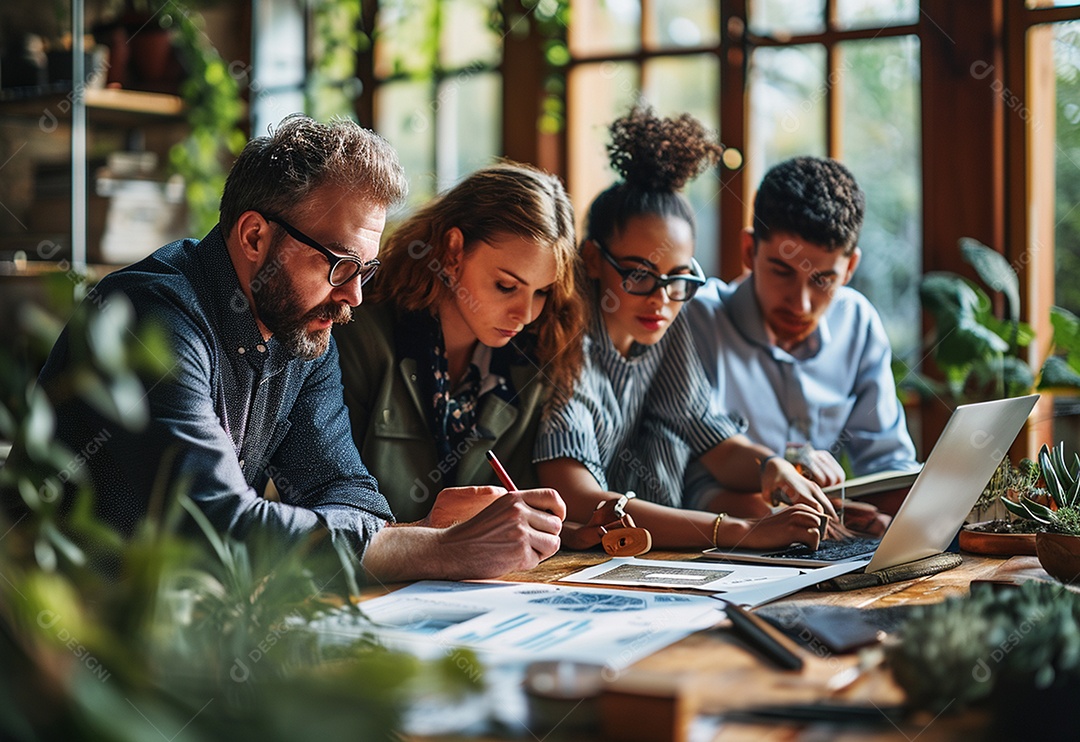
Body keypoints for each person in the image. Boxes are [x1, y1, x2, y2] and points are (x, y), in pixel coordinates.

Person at [16, 115, 564, 582]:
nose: (353, 295)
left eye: (365, 271)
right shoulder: (148, 316)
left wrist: (415, 537)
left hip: (189, 626)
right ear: (255, 237)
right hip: (63, 648)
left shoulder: (305, 328)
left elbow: (350, 497)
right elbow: (221, 527)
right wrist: (440, 547)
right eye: (340, 265)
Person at [534, 105, 835, 552]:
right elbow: (578, 500)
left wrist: (771, 467)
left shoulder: (665, 325)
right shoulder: (565, 337)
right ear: (594, 259)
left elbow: (712, 439)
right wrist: (739, 532)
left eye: (678, 277)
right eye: (638, 274)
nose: (660, 298)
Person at [335, 163, 584, 523]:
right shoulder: (360, 335)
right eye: (506, 286)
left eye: (543, 292)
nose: (526, 314)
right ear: (453, 252)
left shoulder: (531, 362)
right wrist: (434, 535)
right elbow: (333, 516)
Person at [684, 156, 919, 510]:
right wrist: (791, 516)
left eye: (823, 280)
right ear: (749, 251)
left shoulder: (856, 322)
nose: (802, 304)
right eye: (781, 271)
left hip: (831, 540)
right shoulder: (697, 321)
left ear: (850, 267)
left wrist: (879, 519)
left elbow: (889, 465)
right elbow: (683, 481)